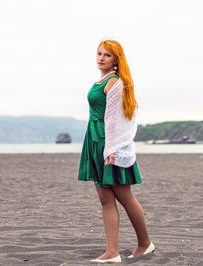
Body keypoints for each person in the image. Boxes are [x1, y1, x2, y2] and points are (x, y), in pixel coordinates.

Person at [78, 37, 155, 263]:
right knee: (104, 197)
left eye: (107, 55)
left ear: (116, 60)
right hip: (94, 139)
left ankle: (144, 243)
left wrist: (112, 148)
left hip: (107, 142)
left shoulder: (115, 82)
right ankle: (112, 252)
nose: (101, 58)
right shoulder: (100, 81)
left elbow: (118, 120)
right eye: (99, 53)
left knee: (124, 195)